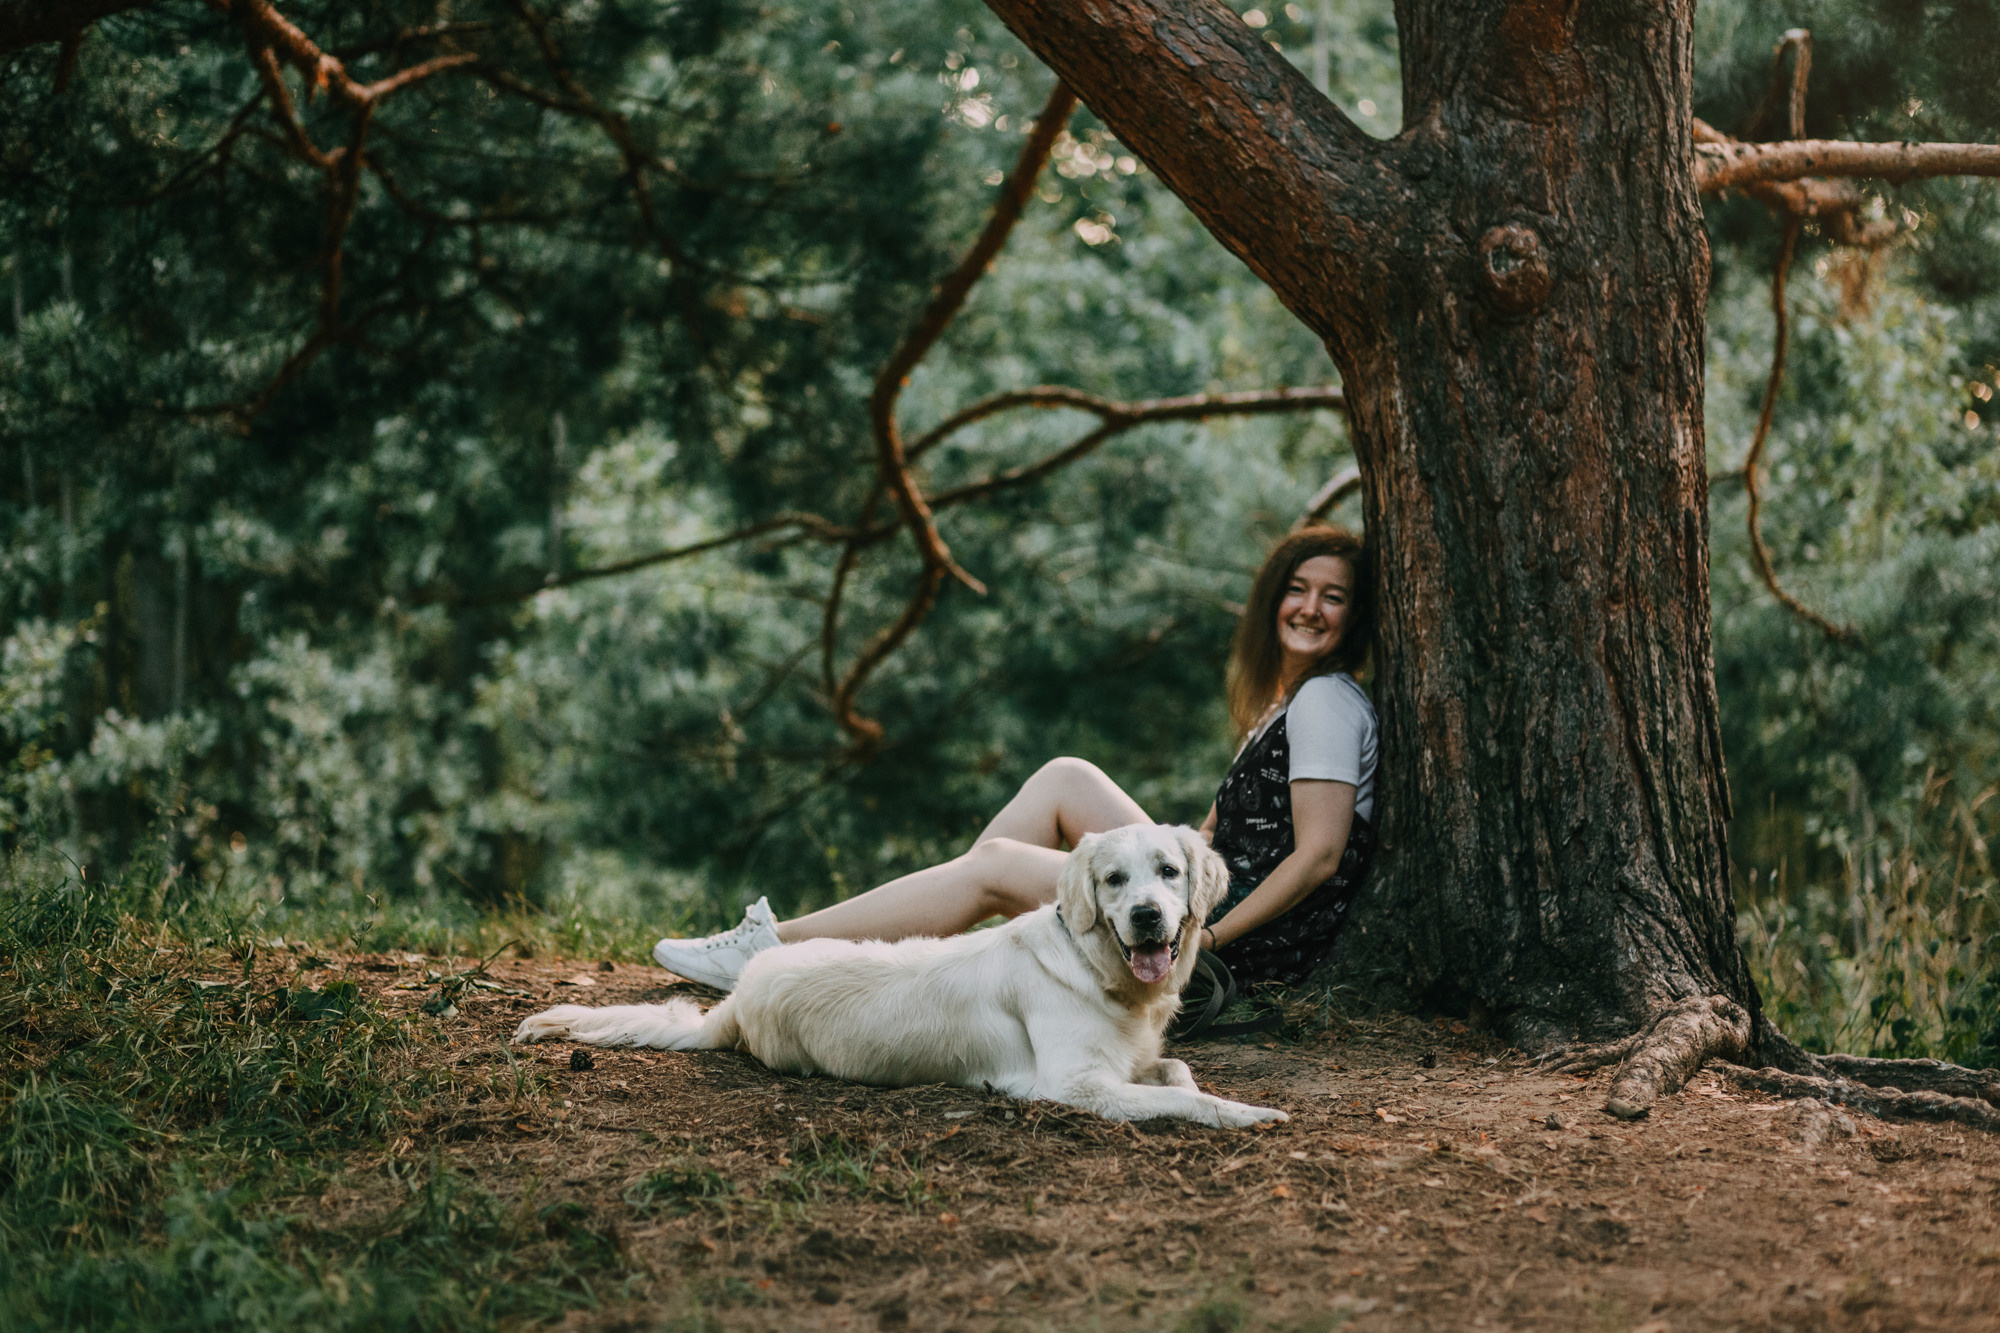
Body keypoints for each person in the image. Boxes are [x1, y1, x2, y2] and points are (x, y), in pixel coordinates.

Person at [653, 525, 1378, 994]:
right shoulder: (1289, 701)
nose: (1310, 607)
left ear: (1356, 615)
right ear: (1273, 598)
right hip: (1218, 902)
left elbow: (1318, 855)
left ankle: (771, 952)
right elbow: (1220, 837)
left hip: (1236, 943)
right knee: (1067, 776)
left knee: (1000, 863)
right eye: (1297, 588)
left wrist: (1205, 931)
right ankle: (953, 934)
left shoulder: (1325, 702)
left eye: (1334, 597)